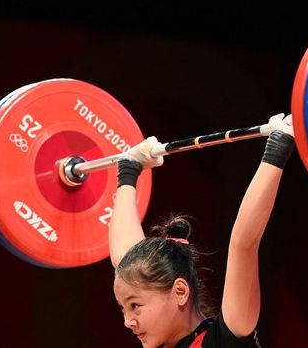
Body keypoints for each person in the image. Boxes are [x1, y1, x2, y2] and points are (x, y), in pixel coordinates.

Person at [109, 114, 294, 348]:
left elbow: (244, 243)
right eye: (123, 308)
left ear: (180, 291)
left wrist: (279, 146)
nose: (127, 321)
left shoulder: (223, 341)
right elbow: (123, 259)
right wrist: (127, 171)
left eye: (134, 305)